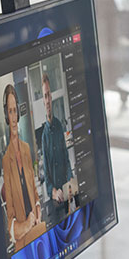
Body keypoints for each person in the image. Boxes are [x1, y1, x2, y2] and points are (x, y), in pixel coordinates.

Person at [0, 83, 43, 251]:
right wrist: (27, 224)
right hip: (24, 243)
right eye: (10, 112)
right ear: (6, 116)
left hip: (38, 233)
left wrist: (37, 211)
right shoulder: (6, 160)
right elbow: (11, 225)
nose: (14, 116)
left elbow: (35, 193)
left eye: (15, 110)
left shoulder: (26, 149)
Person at [35, 69, 75, 224]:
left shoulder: (59, 126)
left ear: (51, 97)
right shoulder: (43, 137)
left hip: (67, 195)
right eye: (45, 96)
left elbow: (66, 160)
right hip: (55, 201)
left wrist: (70, 183)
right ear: (43, 101)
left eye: (49, 95)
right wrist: (53, 192)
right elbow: (46, 175)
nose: (47, 100)